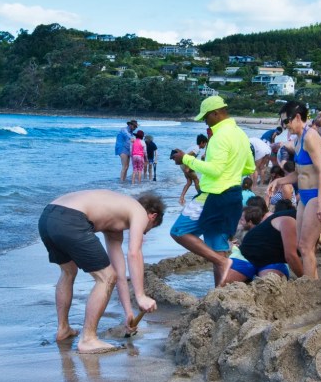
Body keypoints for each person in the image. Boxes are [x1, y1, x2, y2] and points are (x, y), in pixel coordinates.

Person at [38, 190, 164, 354]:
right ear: (152, 217)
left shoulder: (114, 221)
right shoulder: (139, 211)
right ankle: (88, 339)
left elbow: (119, 273)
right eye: (148, 229)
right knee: (105, 278)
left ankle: (63, 329)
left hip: (48, 217)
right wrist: (140, 296)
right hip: (71, 219)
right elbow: (134, 253)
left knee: (69, 272)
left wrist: (128, 313)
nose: (144, 232)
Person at [170, 96, 255, 285]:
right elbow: (249, 167)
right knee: (218, 247)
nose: (204, 121)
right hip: (233, 195)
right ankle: (220, 292)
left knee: (178, 231)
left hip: (213, 196)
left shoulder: (219, 136)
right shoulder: (240, 134)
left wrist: (185, 159)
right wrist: (230, 170)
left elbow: (215, 170)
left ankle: (223, 262)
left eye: (206, 117)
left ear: (216, 113)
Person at [267, 101, 321, 279]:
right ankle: (314, 283)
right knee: (303, 246)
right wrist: (280, 180)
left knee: (305, 246)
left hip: (317, 196)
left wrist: (320, 202)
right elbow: (298, 173)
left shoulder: (311, 137)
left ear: (297, 117)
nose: (285, 126)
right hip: (305, 196)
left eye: (286, 121)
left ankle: (310, 288)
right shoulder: (298, 140)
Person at [223, 207, 303, 284]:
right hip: (247, 254)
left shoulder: (297, 220)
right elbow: (291, 256)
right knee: (224, 286)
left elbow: (293, 256)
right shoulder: (289, 219)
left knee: (269, 287)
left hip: (273, 260)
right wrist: (305, 280)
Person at [176, 134, 206, 205]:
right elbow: (186, 156)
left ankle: (182, 197)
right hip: (185, 165)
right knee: (196, 180)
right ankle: (200, 195)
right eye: (205, 143)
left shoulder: (195, 147)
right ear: (202, 142)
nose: (205, 146)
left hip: (183, 165)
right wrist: (187, 168)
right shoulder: (196, 149)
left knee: (189, 182)